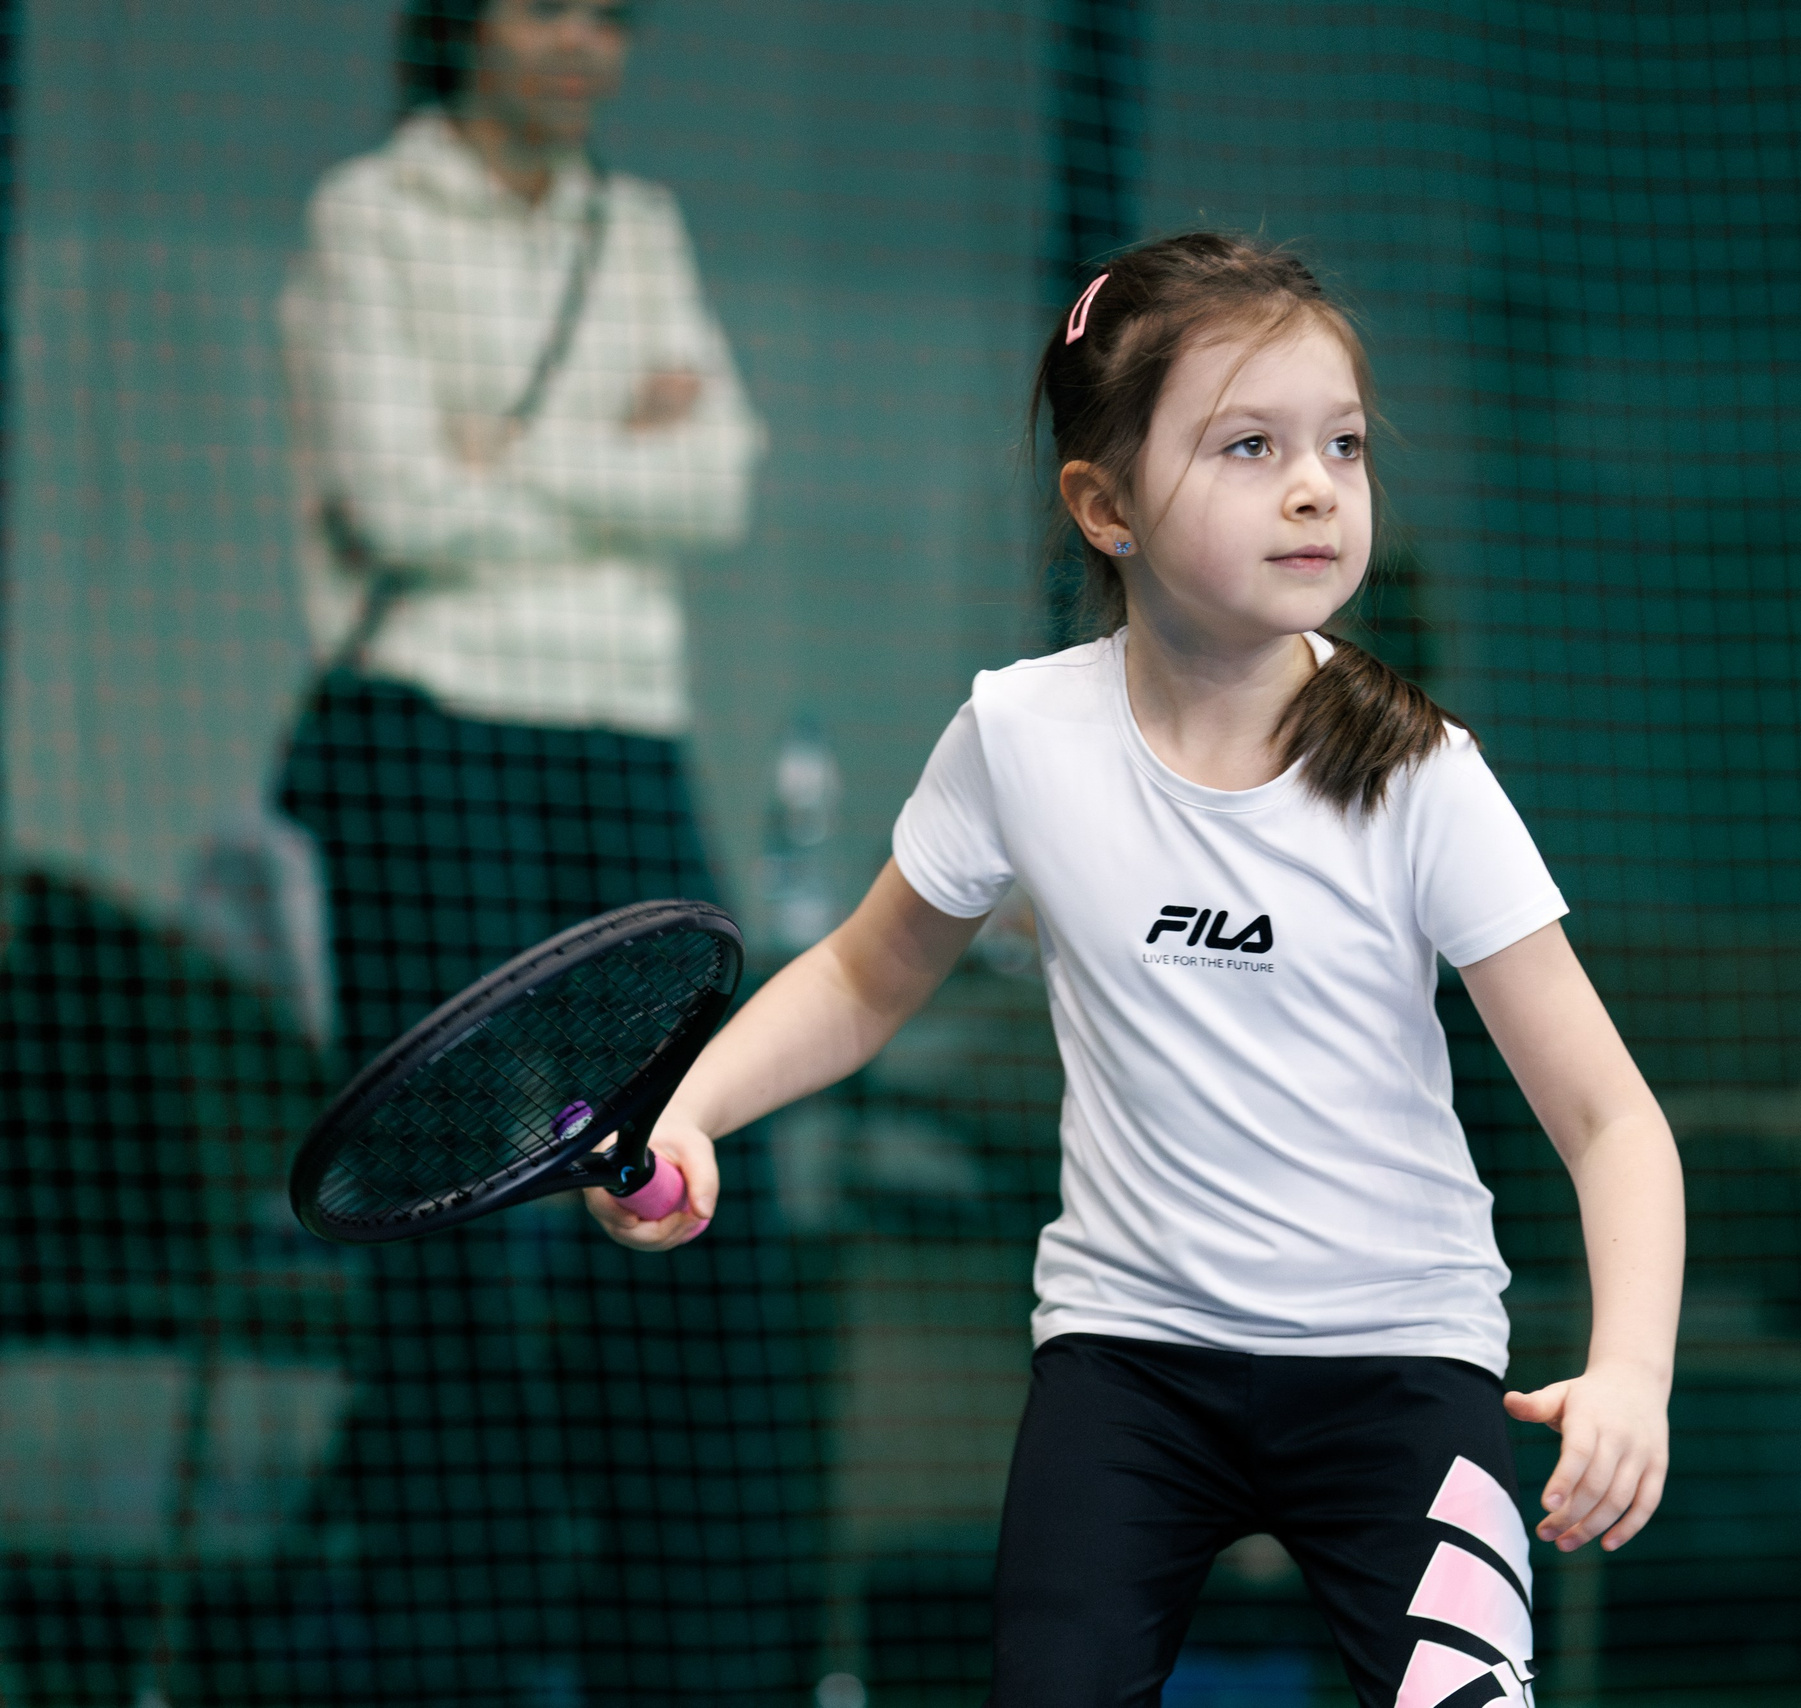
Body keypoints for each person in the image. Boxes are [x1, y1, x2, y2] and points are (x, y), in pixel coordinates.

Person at [588, 234, 1686, 1706]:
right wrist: (695, 1111)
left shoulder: (1421, 774)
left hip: (1403, 1369)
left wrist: (1632, 1374)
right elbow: (863, 977)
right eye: (1248, 446)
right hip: (1131, 1366)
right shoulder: (1019, 738)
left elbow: (1612, 1120)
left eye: (1342, 446)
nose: (1315, 486)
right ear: (1105, 507)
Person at [271, 3, 779, 1699]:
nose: (583, 42)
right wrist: (608, 453)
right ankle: (454, 1661)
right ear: (463, 26)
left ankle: (690, 1662)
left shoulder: (639, 229)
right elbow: (402, 502)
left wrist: (509, 450)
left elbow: (720, 482)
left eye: (614, 15)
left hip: (619, 738)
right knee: (451, 1215)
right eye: (546, 5)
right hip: (429, 727)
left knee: (702, 1181)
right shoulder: (371, 214)